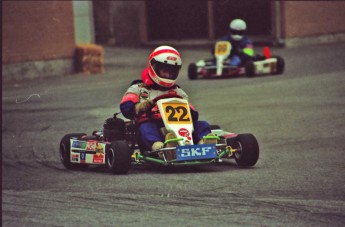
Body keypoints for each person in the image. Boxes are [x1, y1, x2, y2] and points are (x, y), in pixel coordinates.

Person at [120, 45, 214, 151]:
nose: (168, 75)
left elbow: (192, 113)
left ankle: (204, 144)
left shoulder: (178, 91)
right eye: (164, 71)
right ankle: (160, 147)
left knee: (202, 125)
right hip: (152, 124)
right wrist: (139, 107)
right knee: (146, 128)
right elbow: (126, 106)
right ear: (153, 66)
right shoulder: (138, 88)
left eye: (171, 72)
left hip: (178, 126)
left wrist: (190, 111)